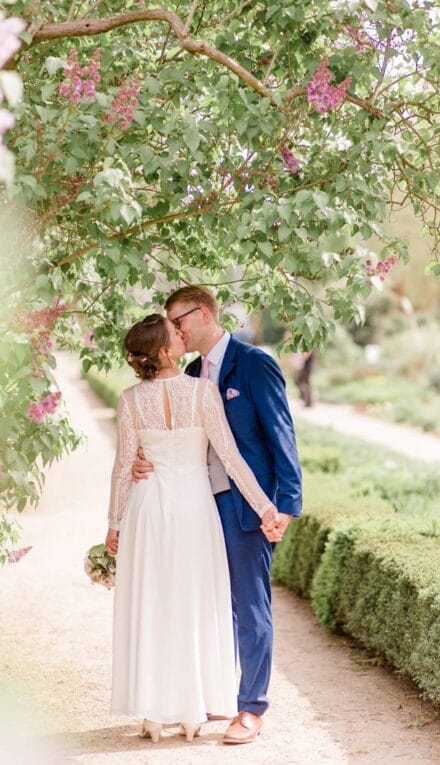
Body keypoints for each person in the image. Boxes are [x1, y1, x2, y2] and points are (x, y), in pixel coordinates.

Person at [131, 285, 302, 745]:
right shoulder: (188, 373)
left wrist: (286, 505)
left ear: (203, 313)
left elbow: (281, 434)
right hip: (196, 506)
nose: (175, 330)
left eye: (178, 321)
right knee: (203, 601)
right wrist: (140, 461)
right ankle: (213, 695)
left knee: (250, 607)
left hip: (246, 506)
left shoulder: (254, 363)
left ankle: (251, 708)